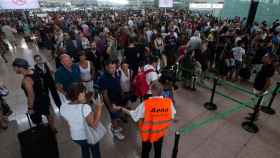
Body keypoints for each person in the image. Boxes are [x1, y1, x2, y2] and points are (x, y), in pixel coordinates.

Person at [114, 82, 176, 158]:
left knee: (146, 152)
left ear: (153, 91)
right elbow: (172, 115)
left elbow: (134, 115)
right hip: (160, 133)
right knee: (158, 151)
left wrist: (121, 108)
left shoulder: (146, 104)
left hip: (148, 134)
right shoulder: (168, 103)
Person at [12, 58, 56, 131]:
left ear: (19, 67)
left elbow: (31, 95)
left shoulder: (27, 80)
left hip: (37, 102)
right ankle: (53, 129)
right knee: (48, 113)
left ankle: (44, 133)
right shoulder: (33, 70)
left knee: (37, 119)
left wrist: (30, 108)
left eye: (14, 68)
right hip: (44, 96)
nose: (14, 70)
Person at [60, 83, 102, 158]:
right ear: (79, 95)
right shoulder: (85, 108)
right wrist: (99, 109)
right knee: (95, 151)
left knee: (84, 149)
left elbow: (68, 120)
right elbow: (94, 125)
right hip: (87, 136)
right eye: (84, 92)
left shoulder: (63, 106)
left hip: (76, 137)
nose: (85, 94)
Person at [99, 59, 125, 140]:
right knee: (113, 115)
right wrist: (110, 106)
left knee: (116, 114)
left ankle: (115, 127)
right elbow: (105, 94)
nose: (113, 69)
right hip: (110, 100)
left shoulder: (116, 73)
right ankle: (116, 131)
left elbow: (118, 84)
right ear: (106, 67)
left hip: (117, 98)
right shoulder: (103, 79)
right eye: (110, 68)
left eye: (114, 67)